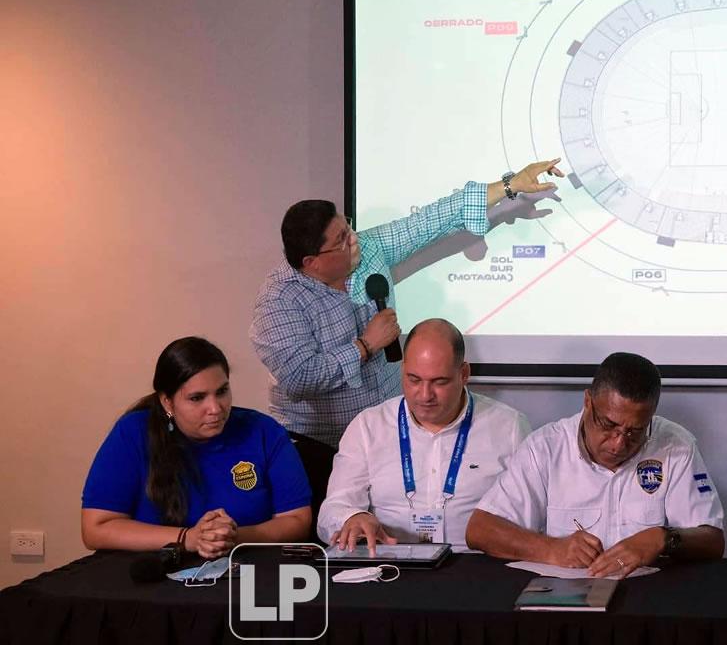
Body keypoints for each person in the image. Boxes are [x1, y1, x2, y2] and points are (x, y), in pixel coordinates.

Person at [249, 159, 563, 524]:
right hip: (318, 444)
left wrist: (508, 186)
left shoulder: (368, 252)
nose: (355, 239)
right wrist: (365, 346)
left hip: (391, 436)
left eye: (348, 228)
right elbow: (301, 378)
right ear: (312, 261)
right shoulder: (278, 301)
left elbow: (427, 222)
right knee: (337, 537)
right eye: (342, 240)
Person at [466, 352, 725, 577]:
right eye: (608, 425)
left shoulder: (675, 445)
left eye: (635, 431)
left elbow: (713, 540)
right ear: (588, 402)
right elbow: (480, 529)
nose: (618, 444)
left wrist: (664, 539)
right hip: (569, 603)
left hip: (651, 599)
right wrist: (551, 549)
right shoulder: (546, 447)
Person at [81, 337, 311, 558]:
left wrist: (233, 538)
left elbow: (297, 520)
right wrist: (188, 538)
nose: (215, 408)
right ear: (167, 402)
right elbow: (96, 529)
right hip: (152, 579)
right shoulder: (133, 433)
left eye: (222, 392)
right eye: (197, 398)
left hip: (245, 574)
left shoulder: (263, 431)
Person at [318, 319, 530, 550]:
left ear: (464, 374)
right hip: (392, 565)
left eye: (439, 382)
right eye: (414, 380)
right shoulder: (368, 426)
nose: (425, 395)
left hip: (477, 563)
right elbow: (333, 509)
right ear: (402, 371)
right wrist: (352, 518)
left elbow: (531, 516)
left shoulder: (509, 427)